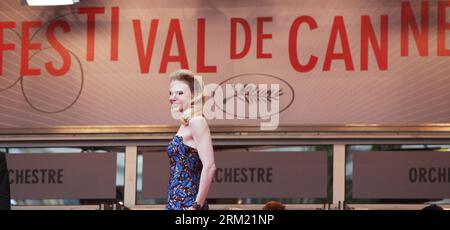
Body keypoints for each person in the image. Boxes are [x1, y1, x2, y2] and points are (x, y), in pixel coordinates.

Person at [166, 69, 216, 210]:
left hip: (188, 204)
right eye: (170, 93)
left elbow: (210, 166)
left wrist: (196, 206)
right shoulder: (185, 123)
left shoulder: (197, 121)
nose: (172, 97)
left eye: (179, 93)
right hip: (175, 202)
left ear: (193, 95)